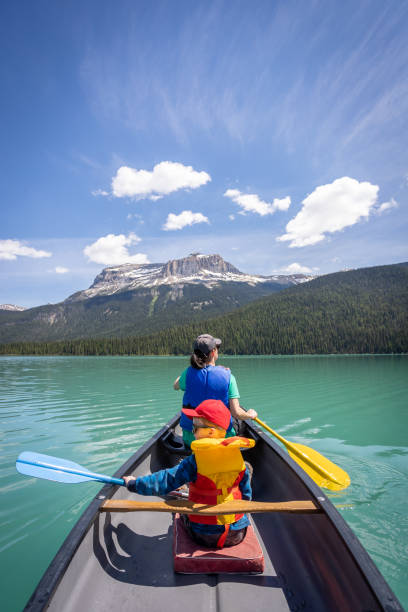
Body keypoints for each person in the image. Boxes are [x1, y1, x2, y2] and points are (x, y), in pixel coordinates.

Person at [123, 399, 255, 548]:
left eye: (195, 428)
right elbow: (246, 496)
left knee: (183, 511)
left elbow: (164, 481)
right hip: (237, 534)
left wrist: (133, 484)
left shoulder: (194, 462)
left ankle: (188, 495)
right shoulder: (237, 457)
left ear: (211, 432)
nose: (192, 432)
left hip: (204, 535)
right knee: (245, 473)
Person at [173, 333, 258, 447]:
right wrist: (249, 415)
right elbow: (236, 413)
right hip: (221, 439)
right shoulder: (228, 377)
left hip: (191, 439)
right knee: (240, 413)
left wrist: (186, 374)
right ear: (213, 352)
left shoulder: (188, 373)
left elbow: (175, 386)